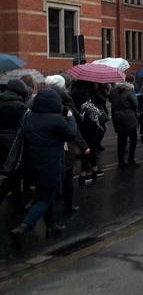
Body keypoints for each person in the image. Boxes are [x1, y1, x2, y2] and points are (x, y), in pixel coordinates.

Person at [9, 89, 77, 251]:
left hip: (32, 165)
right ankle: (23, 227)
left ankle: (51, 225)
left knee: (46, 194)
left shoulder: (28, 117)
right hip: (51, 165)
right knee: (44, 198)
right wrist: (70, 118)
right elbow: (71, 134)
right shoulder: (56, 119)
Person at [45, 75, 88, 212]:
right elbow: (73, 127)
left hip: (48, 144)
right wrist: (84, 146)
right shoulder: (65, 100)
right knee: (67, 173)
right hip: (64, 143)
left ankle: (56, 195)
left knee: (54, 172)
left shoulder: (41, 98)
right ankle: (68, 205)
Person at [0, 79, 30, 210]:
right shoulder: (20, 106)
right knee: (14, 173)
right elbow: (25, 125)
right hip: (13, 143)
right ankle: (17, 203)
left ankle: (18, 203)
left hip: (0, 142)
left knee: (12, 174)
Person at [79, 84, 108, 182]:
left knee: (86, 146)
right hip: (92, 118)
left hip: (81, 119)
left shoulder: (75, 89)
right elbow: (103, 100)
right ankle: (91, 170)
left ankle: (87, 171)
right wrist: (100, 88)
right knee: (92, 145)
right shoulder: (92, 90)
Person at [110, 75, 139, 167]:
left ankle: (121, 161)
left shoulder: (113, 90)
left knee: (121, 140)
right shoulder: (129, 91)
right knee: (133, 138)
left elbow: (110, 100)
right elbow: (136, 104)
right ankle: (131, 159)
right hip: (128, 116)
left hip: (117, 116)